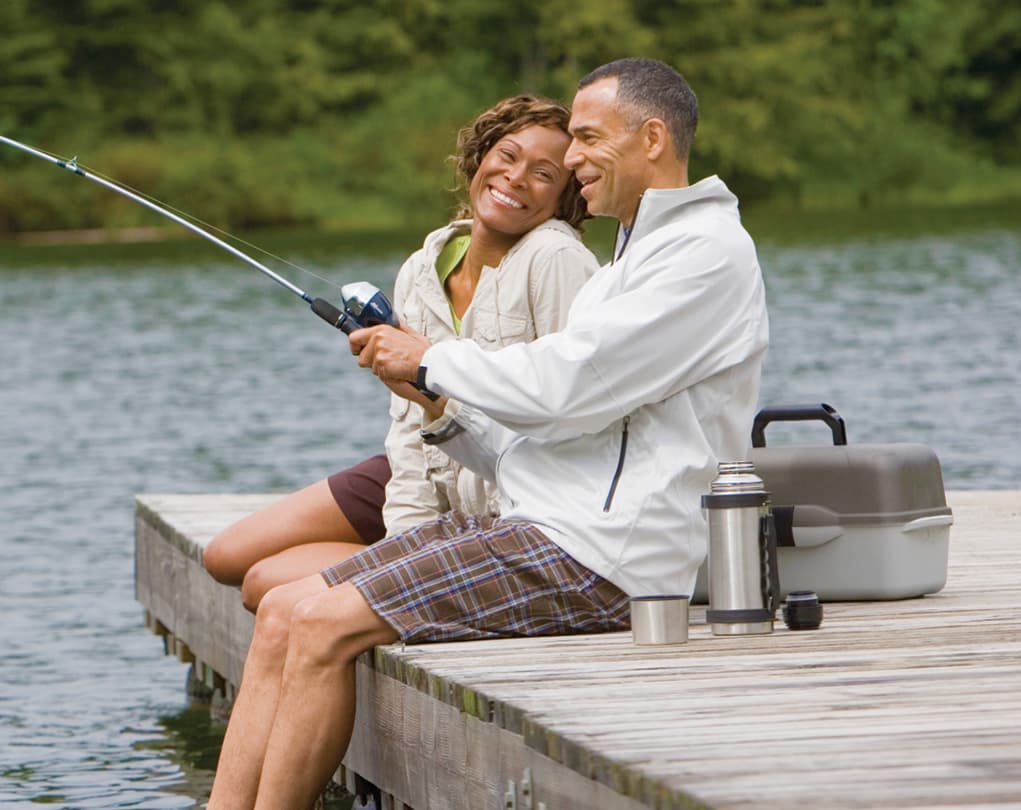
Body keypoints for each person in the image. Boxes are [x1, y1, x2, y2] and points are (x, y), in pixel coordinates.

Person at [205, 57, 770, 810]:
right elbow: (558, 435)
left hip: (607, 557)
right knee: (281, 612)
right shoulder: (629, 262)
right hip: (544, 526)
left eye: (586, 139)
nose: (571, 161)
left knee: (318, 625)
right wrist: (439, 408)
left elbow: (567, 383)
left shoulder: (703, 254)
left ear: (654, 138)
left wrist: (434, 357)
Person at [199, 95, 597, 612]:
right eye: (507, 154)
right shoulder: (422, 265)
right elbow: (410, 424)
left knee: (263, 583)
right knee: (225, 556)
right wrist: (404, 541)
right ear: (480, 157)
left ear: (566, 197)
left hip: (507, 491)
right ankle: (394, 556)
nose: (516, 177)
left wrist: (405, 565)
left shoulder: (556, 257)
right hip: (429, 470)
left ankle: (399, 565)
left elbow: (574, 415)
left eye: (544, 173)